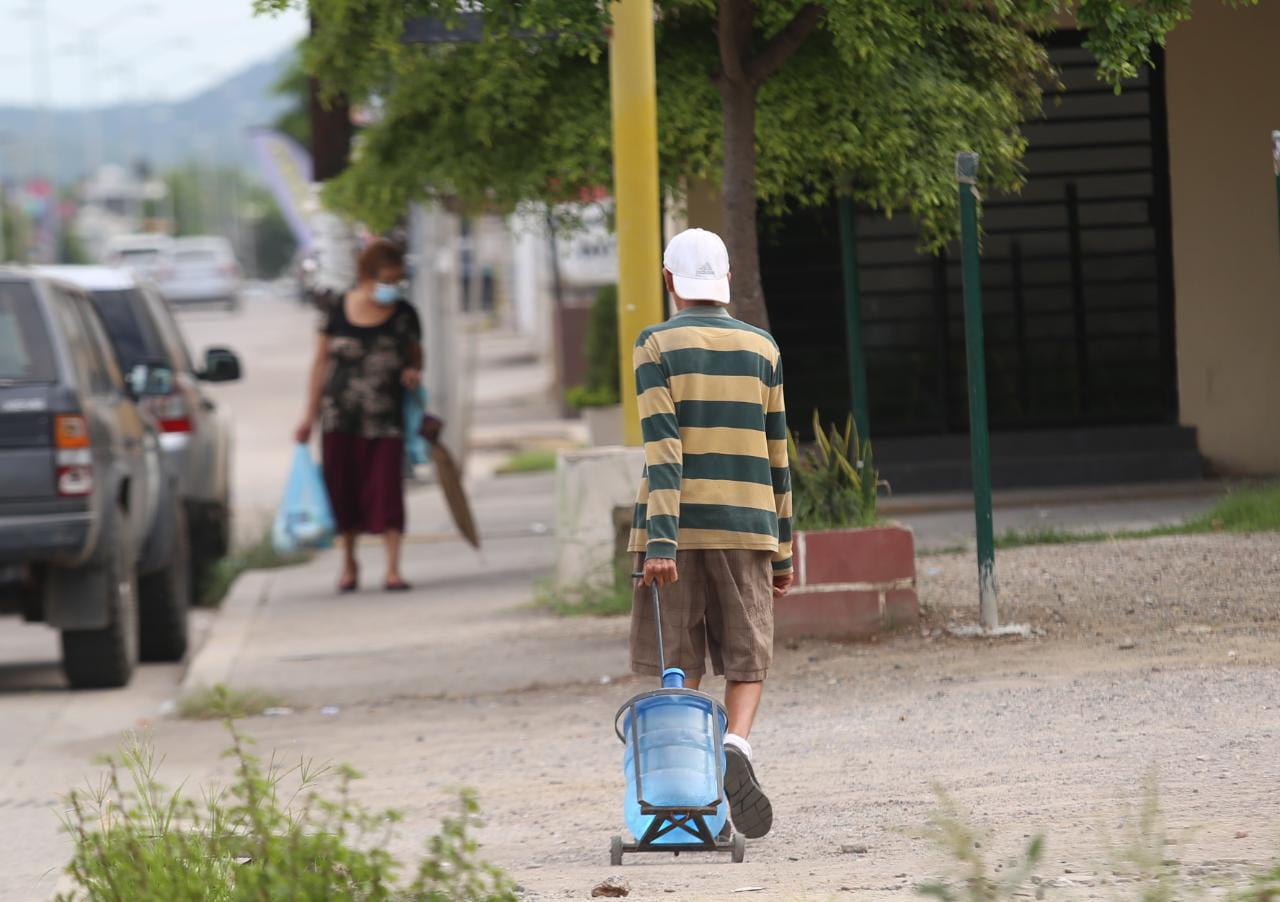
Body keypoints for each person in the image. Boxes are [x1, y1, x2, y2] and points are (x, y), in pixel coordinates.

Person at [627, 227, 793, 840]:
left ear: (669, 280)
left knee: (681, 664)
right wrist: (784, 551)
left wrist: (660, 542)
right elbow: (778, 456)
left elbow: (664, 450)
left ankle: (696, 794)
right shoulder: (762, 348)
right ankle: (736, 745)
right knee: (748, 656)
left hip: (677, 531)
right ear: (725, 279)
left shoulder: (654, 345)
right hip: (749, 524)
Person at [295, 239, 422, 592]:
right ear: (366, 275)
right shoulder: (336, 310)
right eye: (386, 279)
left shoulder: (404, 314)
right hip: (340, 417)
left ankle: (393, 569)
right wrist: (308, 416)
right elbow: (320, 364)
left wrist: (413, 372)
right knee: (343, 489)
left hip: (386, 418)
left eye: (396, 280)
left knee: (387, 490)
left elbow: (415, 356)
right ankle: (349, 563)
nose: (391, 287)